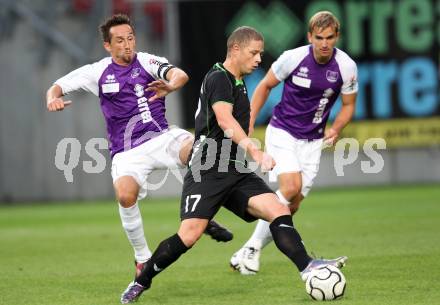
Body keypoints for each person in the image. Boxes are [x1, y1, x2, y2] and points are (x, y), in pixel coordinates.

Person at [120, 25, 347, 304]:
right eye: (254, 53)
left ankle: (307, 267)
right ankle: (140, 282)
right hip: (207, 168)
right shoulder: (218, 77)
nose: (259, 59)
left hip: (235, 169)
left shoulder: (238, 82)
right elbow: (225, 121)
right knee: (189, 235)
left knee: (278, 209)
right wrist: (254, 149)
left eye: (260, 54)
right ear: (236, 49)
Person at [45, 14, 233, 279]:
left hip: (161, 137)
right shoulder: (97, 72)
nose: (127, 45)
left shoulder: (146, 61)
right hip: (127, 152)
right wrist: (52, 98)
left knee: (201, 153)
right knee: (125, 196)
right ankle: (142, 257)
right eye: (120, 40)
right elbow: (57, 86)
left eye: (130, 38)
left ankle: (200, 215)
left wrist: (170, 85)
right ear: (108, 46)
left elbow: (179, 74)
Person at [230, 11, 357, 275]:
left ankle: (247, 250)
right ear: (310, 36)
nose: (324, 43)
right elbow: (265, 86)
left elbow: (348, 105)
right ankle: (253, 250)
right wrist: (251, 120)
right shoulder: (293, 58)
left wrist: (336, 128)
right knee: (290, 187)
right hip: (283, 132)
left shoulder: (346, 67)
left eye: (329, 37)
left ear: (337, 37)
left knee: (293, 203)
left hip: (313, 141)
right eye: (318, 37)